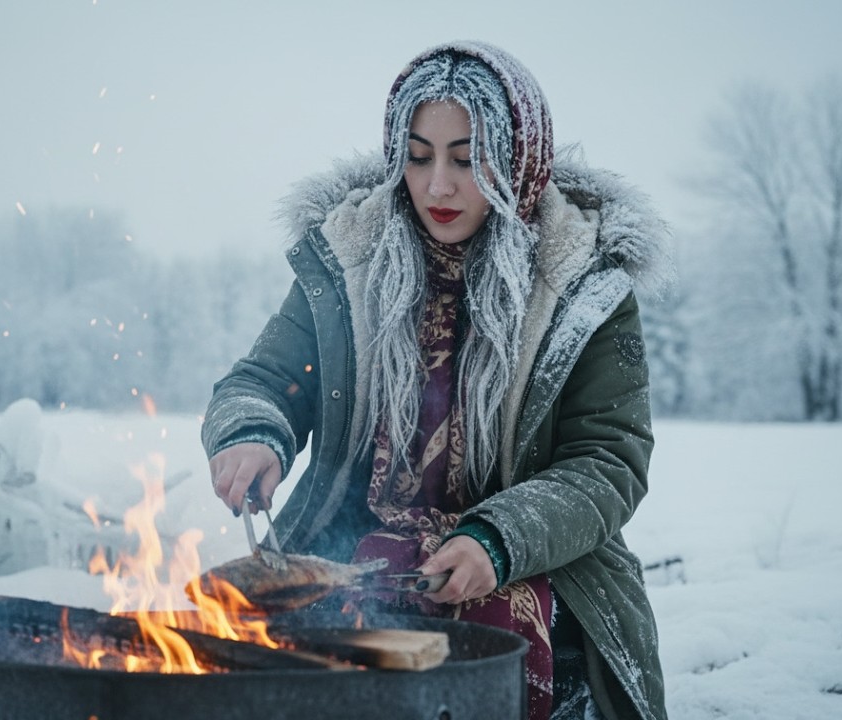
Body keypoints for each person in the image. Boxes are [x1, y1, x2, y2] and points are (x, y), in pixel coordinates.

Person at [203, 41, 671, 720]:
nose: (438, 186)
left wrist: (498, 539)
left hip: (531, 566)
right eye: (418, 157)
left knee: (485, 637)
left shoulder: (581, 284)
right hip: (355, 555)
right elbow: (268, 380)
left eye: (468, 158)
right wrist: (252, 434)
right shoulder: (349, 260)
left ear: (519, 160)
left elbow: (607, 462)